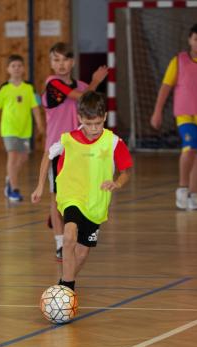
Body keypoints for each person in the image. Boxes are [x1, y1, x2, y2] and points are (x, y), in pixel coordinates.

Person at [31, 92, 132, 293]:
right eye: (88, 123)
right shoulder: (68, 139)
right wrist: (40, 185)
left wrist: (117, 183)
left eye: (98, 123)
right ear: (79, 118)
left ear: (105, 117)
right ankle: (66, 289)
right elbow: (47, 155)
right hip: (71, 196)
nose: (93, 129)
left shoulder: (113, 142)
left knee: (83, 253)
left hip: (95, 204)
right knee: (69, 234)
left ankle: (64, 284)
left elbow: (125, 172)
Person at [40, 42, 108, 261]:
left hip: (80, 151)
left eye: (65, 59)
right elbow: (80, 97)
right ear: (51, 63)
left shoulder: (83, 85)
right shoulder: (52, 83)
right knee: (56, 196)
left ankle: (62, 218)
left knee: (79, 194)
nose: (61, 64)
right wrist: (96, 82)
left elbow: (89, 105)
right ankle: (60, 243)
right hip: (58, 150)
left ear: (73, 62)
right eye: (56, 60)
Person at [149, 24, 197, 210]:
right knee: (189, 147)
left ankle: (193, 194)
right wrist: (157, 111)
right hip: (185, 114)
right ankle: (182, 188)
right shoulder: (179, 60)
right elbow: (166, 87)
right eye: (196, 39)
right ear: (189, 41)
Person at [0, 55, 44, 203]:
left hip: (25, 130)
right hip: (9, 129)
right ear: (8, 69)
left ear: (24, 68)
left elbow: (35, 108)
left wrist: (40, 124)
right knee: (12, 157)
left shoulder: (29, 88)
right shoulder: (4, 88)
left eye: (19, 65)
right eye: (13, 66)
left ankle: (10, 177)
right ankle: (13, 189)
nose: (17, 68)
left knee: (24, 157)